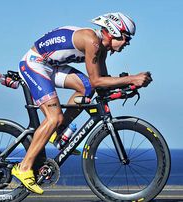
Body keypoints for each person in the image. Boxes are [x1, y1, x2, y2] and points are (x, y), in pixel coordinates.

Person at [12, 12, 152, 194]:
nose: (127, 43)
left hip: (50, 66)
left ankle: (57, 132)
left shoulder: (102, 50)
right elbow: (97, 81)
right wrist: (131, 78)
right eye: (126, 38)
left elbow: (100, 85)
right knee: (54, 117)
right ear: (113, 31)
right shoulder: (92, 41)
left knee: (86, 88)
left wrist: (128, 87)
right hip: (34, 64)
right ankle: (23, 168)